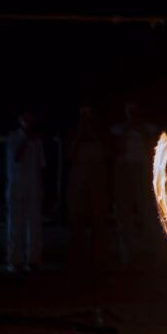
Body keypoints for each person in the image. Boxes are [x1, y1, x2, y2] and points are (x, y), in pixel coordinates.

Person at [109, 102, 158, 268]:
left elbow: (153, 147)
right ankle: (128, 254)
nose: (133, 114)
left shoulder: (149, 128)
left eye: (136, 111)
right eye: (130, 111)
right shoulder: (119, 129)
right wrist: (128, 130)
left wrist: (141, 131)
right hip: (125, 170)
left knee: (147, 211)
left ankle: (151, 253)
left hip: (143, 171)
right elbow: (117, 149)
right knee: (125, 212)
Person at [67, 105, 109, 270]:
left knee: (99, 218)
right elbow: (69, 155)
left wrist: (92, 132)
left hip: (97, 176)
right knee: (77, 218)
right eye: (83, 113)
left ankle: (99, 258)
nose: (86, 116)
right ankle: (77, 258)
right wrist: (80, 132)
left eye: (88, 113)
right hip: (79, 176)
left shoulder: (100, 132)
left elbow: (107, 152)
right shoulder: (74, 133)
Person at [5, 109, 45, 273]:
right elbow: (16, 157)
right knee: (16, 224)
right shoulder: (13, 137)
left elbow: (41, 165)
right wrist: (26, 139)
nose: (28, 121)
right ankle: (16, 260)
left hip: (33, 186)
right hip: (16, 185)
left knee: (34, 224)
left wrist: (42, 187)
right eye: (25, 118)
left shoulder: (38, 140)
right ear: (20, 119)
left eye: (30, 118)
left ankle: (34, 260)